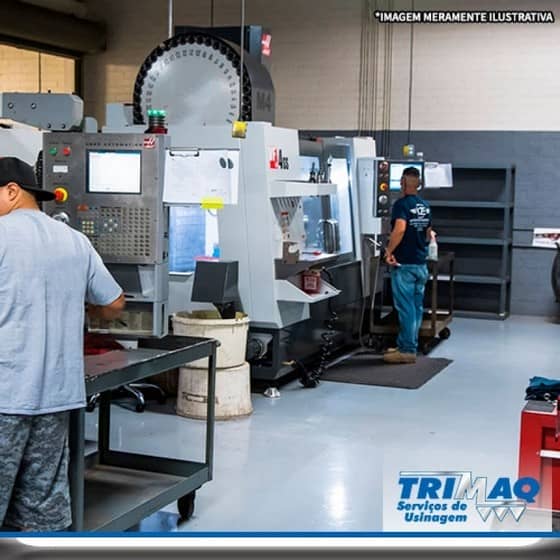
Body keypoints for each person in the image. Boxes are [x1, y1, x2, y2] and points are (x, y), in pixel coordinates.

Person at [0, 157, 125, 532]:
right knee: (43, 508)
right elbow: (115, 304)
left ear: (10, 191)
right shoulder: (74, 240)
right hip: (56, 397)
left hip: (5, 395)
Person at [383, 166, 433, 364]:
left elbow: (400, 229)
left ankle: (407, 350)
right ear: (419, 184)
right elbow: (428, 233)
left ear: (403, 183)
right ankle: (408, 343)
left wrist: (389, 251)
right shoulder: (425, 206)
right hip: (421, 264)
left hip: (404, 264)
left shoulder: (401, 205)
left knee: (405, 308)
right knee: (416, 306)